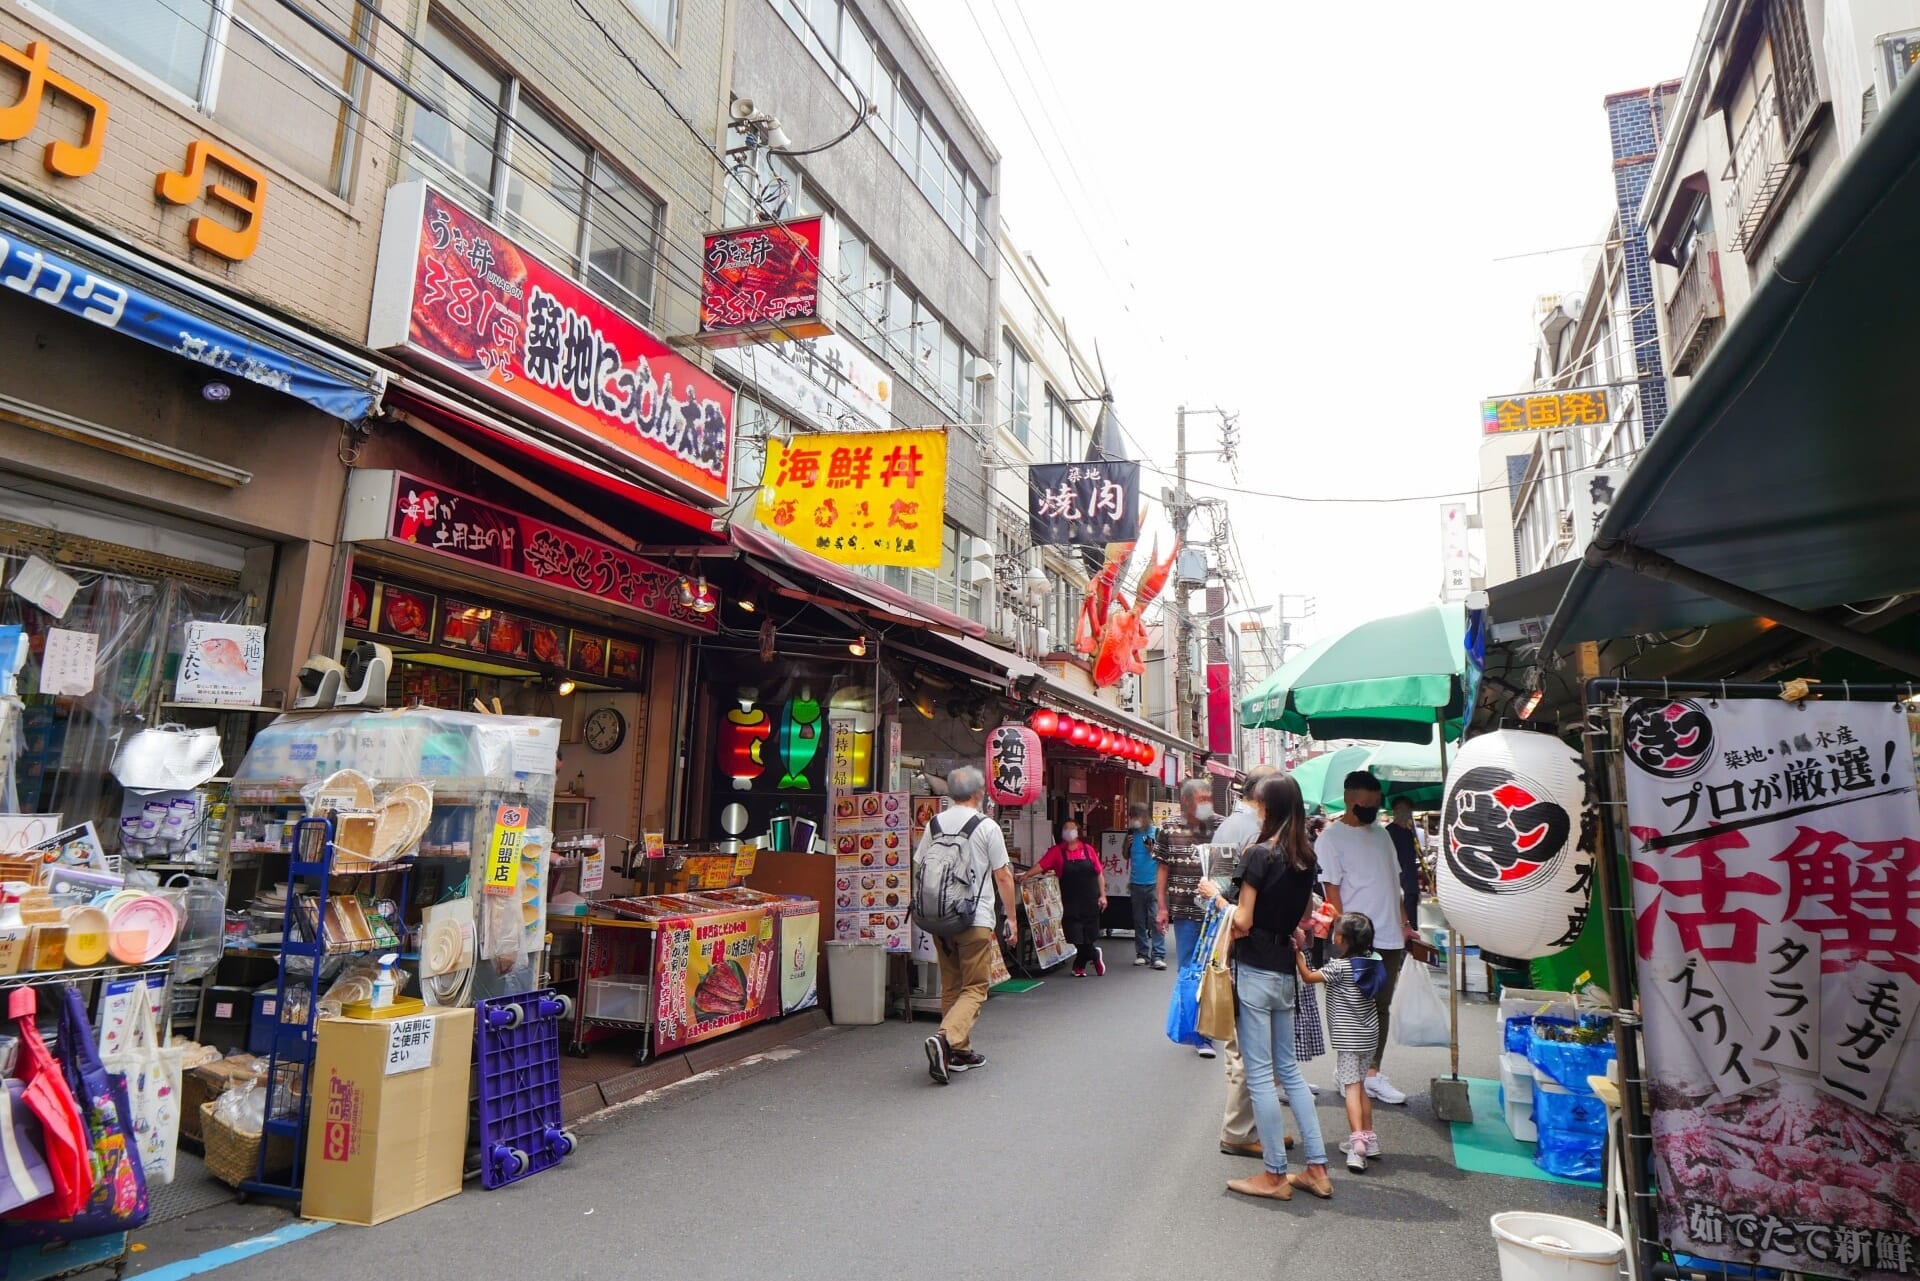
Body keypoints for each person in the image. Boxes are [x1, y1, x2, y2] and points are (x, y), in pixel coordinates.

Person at [1197, 773, 1332, 1201]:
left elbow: (1242, 920)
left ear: (1266, 807)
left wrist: (1215, 896)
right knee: (1288, 1072)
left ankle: (1275, 1174)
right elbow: (1298, 920)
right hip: (1285, 971)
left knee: (1259, 1075)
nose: (1252, 807)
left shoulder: (1259, 855)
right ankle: (1316, 1168)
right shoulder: (1306, 858)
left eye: (1255, 802)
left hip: (1255, 969)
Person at [1315, 771, 1417, 1105]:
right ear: (1348, 799)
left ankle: (1371, 1073)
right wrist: (1343, 936)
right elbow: (1331, 892)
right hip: (1357, 939)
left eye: (1376, 805)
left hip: (1390, 935)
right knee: (1353, 1010)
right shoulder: (1330, 840)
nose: (1371, 811)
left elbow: (1395, 883)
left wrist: (1405, 922)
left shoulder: (1383, 836)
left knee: (1381, 1007)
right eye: (1365, 805)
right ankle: (1349, 1071)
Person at [1209, 766, 1292, 1160]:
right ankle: (1240, 1130)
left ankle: (1246, 1124)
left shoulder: (1226, 827)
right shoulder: (1259, 839)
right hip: (1250, 945)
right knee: (1249, 1050)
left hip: (1232, 940)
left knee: (1239, 1045)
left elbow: (1220, 883)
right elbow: (1239, 906)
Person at [921, 766, 1019, 1086]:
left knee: (951, 984)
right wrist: (1012, 918)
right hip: (974, 919)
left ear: (950, 793)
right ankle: (946, 1039)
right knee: (976, 987)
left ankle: (958, 1052)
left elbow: (920, 865)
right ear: (979, 793)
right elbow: (1003, 875)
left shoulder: (934, 823)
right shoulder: (986, 826)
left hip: (938, 917)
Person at [1298, 913, 1388, 1173]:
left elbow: (1307, 977)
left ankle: (1357, 1144)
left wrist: (1298, 954)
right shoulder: (1373, 962)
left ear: (1342, 939)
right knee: (1360, 1088)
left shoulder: (1339, 967)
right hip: (1369, 1036)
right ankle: (1370, 1139)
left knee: (1350, 1089)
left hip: (1348, 1041)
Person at [1154, 777, 1220, 1053]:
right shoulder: (1169, 827)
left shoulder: (1221, 825)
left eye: (1209, 799)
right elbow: (1163, 869)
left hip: (1218, 911)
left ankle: (1210, 1026)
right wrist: (1161, 907)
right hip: (1184, 912)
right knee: (1188, 971)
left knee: (1214, 970)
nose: (1207, 805)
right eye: (1201, 799)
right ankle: (1196, 1031)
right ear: (1185, 802)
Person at [1025, 820, 1106, 976]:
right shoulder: (1057, 852)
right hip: (1071, 900)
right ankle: (1094, 954)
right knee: (1074, 934)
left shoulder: (1088, 850)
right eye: (1065, 828)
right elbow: (1041, 865)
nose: (1069, 831)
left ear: (1078, 831)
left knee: (1088, 934)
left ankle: (1079, 966)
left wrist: (1103, 896)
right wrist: (1026, 875)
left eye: (1072, 828)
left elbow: (1099, 873)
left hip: (1090, 898)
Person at [1123, 803, 1164, 966]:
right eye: (1132, 817)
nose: (1133, 820)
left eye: (1136, 816)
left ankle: (1158, 955)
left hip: (1153, 882)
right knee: (1138, 920)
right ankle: (1142, 953)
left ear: (1145, 816)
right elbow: (1125, 855)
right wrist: (1127, 843)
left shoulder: (1157, 832)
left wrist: (1152, 849)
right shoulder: (1131, 833)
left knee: (1155, 919)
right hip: (1136, 882)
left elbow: (1163, 857)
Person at [1387, 798, 1424, 942]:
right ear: (1395, 811)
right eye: (1402, 809)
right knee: (1402, 919)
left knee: (1412, 919)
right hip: (1399, 883)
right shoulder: (1390, 832)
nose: (1405, 813)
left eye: (1408, 810)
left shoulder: (1409, 832)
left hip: (1411, 883)